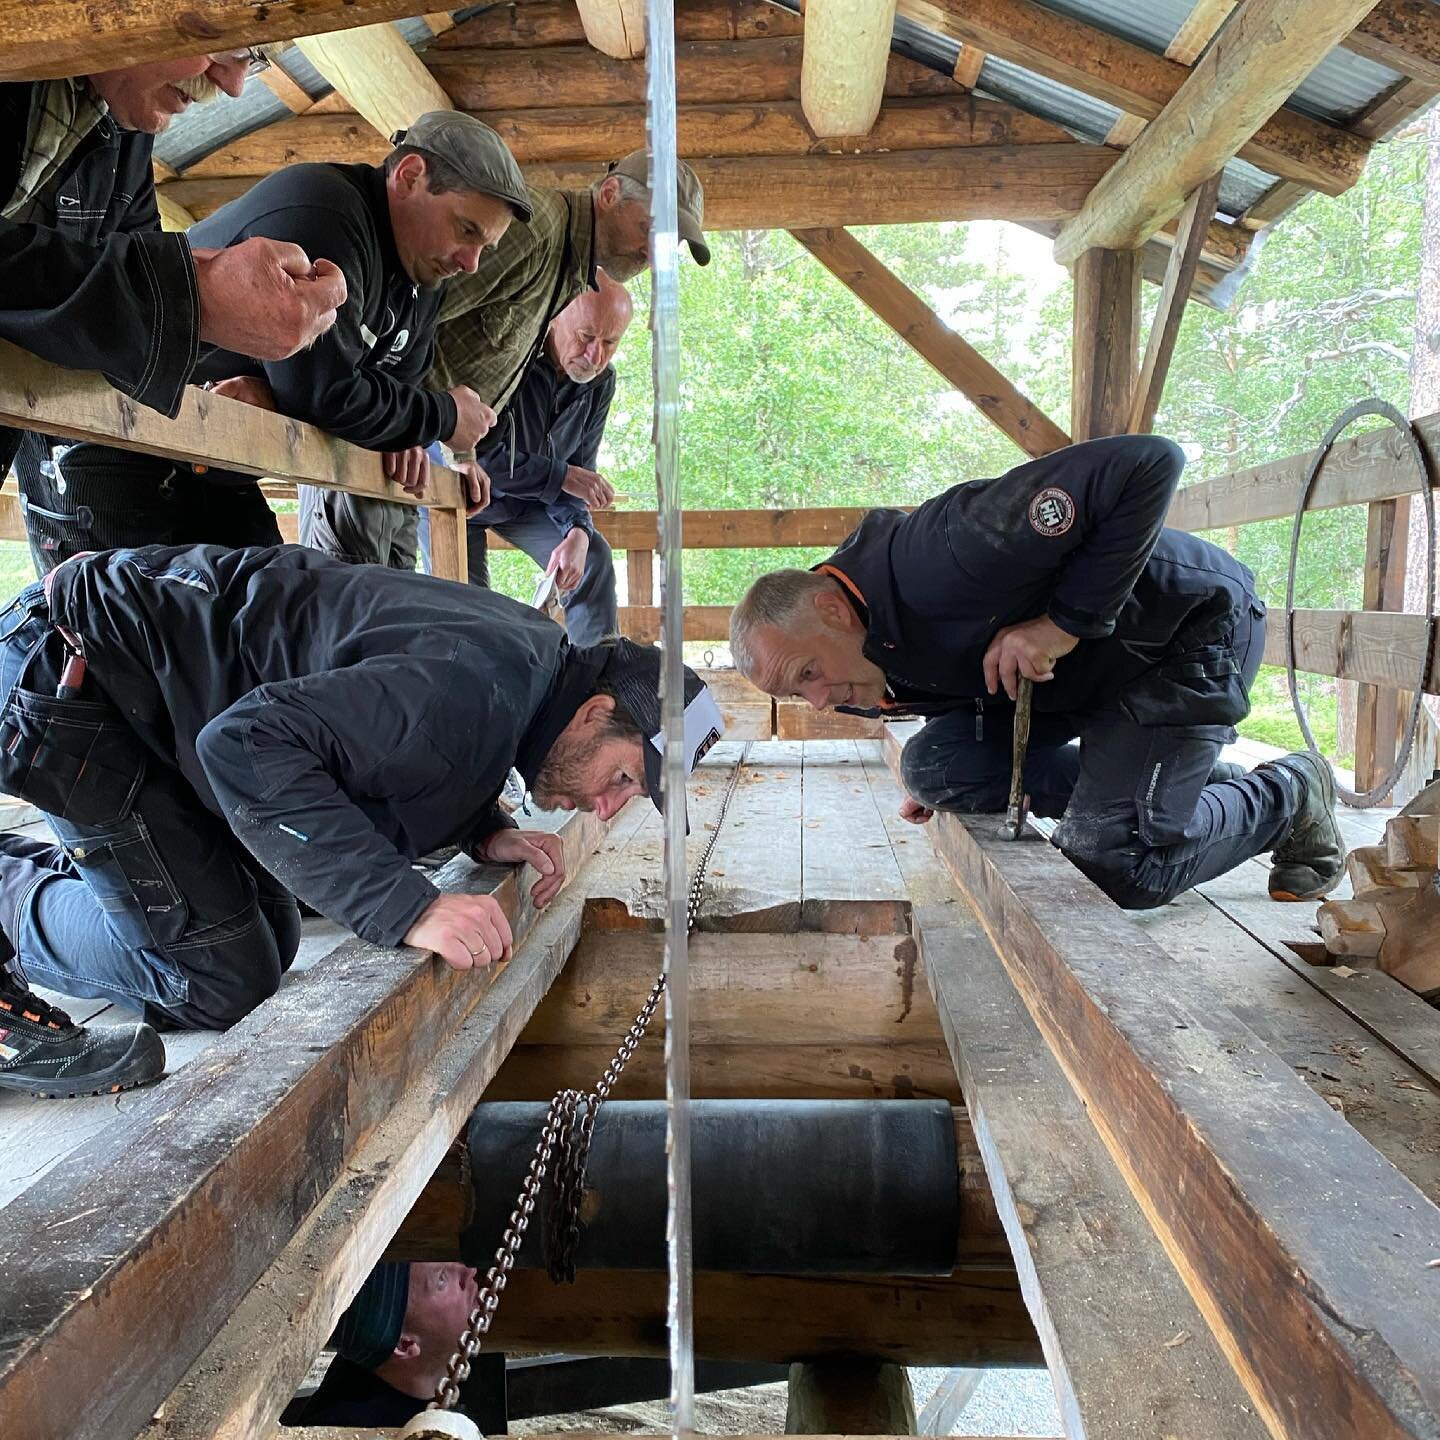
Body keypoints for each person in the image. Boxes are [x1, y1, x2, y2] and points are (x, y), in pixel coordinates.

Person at [0, 541, 724, 1098]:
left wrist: (480, 825)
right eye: (622, 777)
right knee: (217, 976)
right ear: (596, 711)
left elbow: (388, 746)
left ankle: (92, 884)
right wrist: (408, 905)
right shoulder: (466, 692)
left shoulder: (523, 666)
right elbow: (245, 747)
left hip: (152, 694)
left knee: (272, 928)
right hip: (76, 679)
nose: (605, 805)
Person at [729, 434, 1345, 912]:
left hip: (1179, 634)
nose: (818, 702)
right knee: (934, 768)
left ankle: (1289, 794)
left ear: (832, 608)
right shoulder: (851, 658)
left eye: (807, 673)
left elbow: (1149, 462)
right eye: (796, 692)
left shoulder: (946, 549)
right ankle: (1169, 790)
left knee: (1117, 864)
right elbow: (942, 690)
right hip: (1075, 679)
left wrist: (1061, 625)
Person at [16, 111, 524, 570]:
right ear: (410, 176)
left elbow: (387, 388)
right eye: (466, 230)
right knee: (109, 635)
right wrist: (443, 418)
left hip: (208, 461)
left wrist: (398, 428)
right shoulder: (328, 212)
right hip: (106, 429)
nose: (470, 262)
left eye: (485, 247)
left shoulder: (423, 277)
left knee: (262, 618)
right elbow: (328, 395)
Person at [336, 151, 710, 573]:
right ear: (609, 194)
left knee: (394, 601)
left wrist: (464, 454)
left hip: (413, 447)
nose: (653, 255)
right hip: (371, 438)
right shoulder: (536, 232)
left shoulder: (567, 270)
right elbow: (409, 307)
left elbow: (462, 351)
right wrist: (397, 424)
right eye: (650, 229)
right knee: (357, 600)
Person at [1, 48, 347, 497]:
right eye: (229, 45)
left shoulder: (123, 136)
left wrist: (251, 382)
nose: (234, 85)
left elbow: (123, 282)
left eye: (253, 59)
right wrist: (191, 297)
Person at [420, 271, 631, 642]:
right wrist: (563, 476)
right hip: (456, 493)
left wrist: (578, 529)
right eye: (586, 337)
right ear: (555, 318)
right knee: (467, 617)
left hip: (527, 501)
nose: (596, 355)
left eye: (610, 343)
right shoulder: (510, 354)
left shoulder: (601, 382)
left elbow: (582, 466)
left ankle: (599, 682)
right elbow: (479, 457)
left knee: (592, 555)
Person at [281, 1261, 505, 1429]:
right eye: (442, 1280)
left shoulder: (377, 1359)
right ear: (406, 1345)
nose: (468, 1271)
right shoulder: (351, 1425)